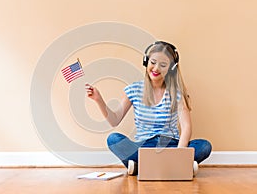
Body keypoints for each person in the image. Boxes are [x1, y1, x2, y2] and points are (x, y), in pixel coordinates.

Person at [85, 41, 212, 175]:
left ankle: (144, 167)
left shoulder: (176, 93)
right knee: (113, 139)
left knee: (204, 146)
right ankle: (175, 167)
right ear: (146, 62)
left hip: (171, 146)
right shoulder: (134, 90)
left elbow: (186, 127)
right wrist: (98, 99)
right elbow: (114, 120)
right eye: (153, 62)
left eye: (163, 65)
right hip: (143, 147)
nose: (156, 68)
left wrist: (179, 153)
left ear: (171, 69)